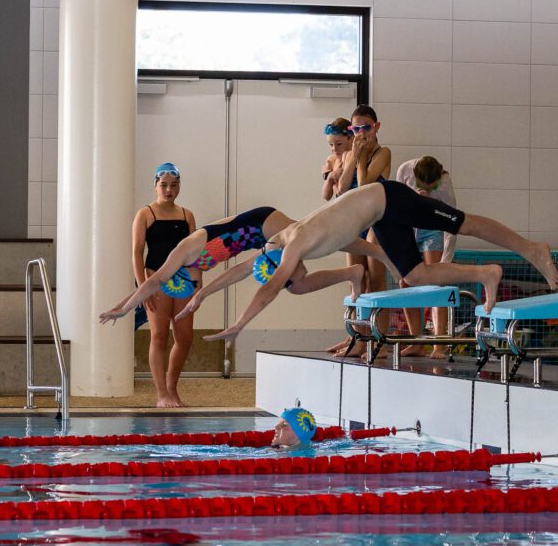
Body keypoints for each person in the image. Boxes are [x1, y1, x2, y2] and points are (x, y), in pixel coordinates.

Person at [202, 178, 558, 343]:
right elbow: (246, 268)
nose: (297, 278)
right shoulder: (277, 246)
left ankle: (531, 249)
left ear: (287, 263)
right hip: (380, 216)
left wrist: (239, 324)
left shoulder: (294, 244)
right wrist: (200, 296)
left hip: (390, 197)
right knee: (415, 276)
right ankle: (485, 274)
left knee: (463, 223)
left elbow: (271, 288)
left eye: (291, 276)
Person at [99, 205, 391, 324]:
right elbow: (239, 270)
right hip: (258, 241)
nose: (196, 281)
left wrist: (124, 308)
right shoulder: (196, 267)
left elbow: (152, 281)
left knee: (320, 242)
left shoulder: (184, 251)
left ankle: (378, 253)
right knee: (297, 285)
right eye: (194, 284)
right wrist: (203, 294)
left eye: (192, 283)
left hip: (261, 222)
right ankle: (353, 272)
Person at [132, 163, 198, 408]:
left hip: (182, 281)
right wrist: (142, 287)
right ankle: (161, 394)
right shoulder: (146, 214)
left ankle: (172, 388)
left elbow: (194, 254)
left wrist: (197, 285)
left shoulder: (186, 215)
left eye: (174, 185)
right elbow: (137, 253)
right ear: (156, 186)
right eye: (164, 185)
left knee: (185, 337)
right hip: (155, 279)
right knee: (159, 336)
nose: (169, 190)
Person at [332, 105, 392, 357]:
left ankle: (377, 341)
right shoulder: (350, 154)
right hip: (355, 221)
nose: (360, 134)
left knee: (376, 282)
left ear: (376, 127)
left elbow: (365, 185)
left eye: (365, 128)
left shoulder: (383, 152)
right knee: (355, 280)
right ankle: (356, 336)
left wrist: (359, 158)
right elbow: (341, 191)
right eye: (355, 129)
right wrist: (353, 158)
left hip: (378, 221)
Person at [395, 156, 457, 358]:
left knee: (435, 285)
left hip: (433, 229)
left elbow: (453, 225)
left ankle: (440, 344)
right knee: (405, 283)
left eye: (433, 188)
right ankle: (417, 341)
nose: (429, 191)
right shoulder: (404, 170)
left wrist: (445, 261)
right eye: (425, 187)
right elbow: (397, 207)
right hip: (409, 228)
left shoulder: (446, 184)